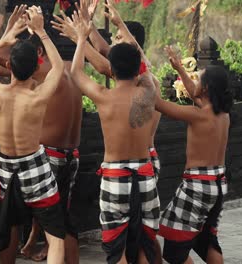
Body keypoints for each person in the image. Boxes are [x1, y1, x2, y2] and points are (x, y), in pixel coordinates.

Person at [0, 6, 66, 264]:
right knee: (55, 236)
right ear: (35, 69)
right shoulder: (38, 95)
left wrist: (3, 39)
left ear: (8, 65)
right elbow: (58, 69)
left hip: (4, 169)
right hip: (35, 169)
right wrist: (42, 31)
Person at [69, 12, 160, 264]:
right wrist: (121, 25)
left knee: (116, 249)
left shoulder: (103, 96)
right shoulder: (149, 90)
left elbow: (76, 73)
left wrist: (80, 39)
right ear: (138, 69)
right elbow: (147, 65)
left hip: (115, 177)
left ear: (110, 69)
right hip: (145, 173)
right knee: (144, 245)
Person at [156, 46, 232, 264]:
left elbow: (159, 104)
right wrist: (180, 68)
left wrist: (139, 74)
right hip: (217, 184)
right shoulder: (222, 114)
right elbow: (195, 95)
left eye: (197, 79)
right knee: (207, 241)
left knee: (173, 251)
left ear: (206, 89)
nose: (193, 82)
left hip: (197, 187)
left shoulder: (197, 116)